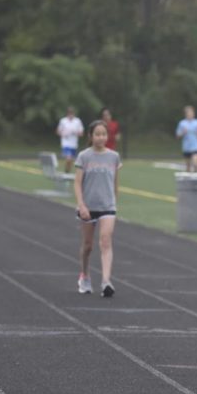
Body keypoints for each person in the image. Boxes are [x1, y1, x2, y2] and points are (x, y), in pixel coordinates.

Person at [74, 120, 122, 298]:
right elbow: (77, 183)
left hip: (108, 207)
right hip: (88, 207)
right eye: (97, 134)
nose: (101, 137)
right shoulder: (84, 156)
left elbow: (116, 183)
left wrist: (114, 202)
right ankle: (84, 276)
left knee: (106, 241)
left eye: (104, 134)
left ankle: (106, 281)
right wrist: (81, 204)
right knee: (88, 246)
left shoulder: (114, 157)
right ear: (91, 136)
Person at [56, 106, 84, 173]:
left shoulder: (77, 121)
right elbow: (58, 131)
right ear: (67, 113)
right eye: (69, 113)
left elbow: (81, 133)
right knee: (68, 159)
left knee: (71, 161)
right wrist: (63, 134)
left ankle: (67, 172)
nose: (70, 114)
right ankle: (66, 172)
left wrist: (75, 132)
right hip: (65, 143)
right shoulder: (63, 121)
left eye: (72, 113)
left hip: (74, 144)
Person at [176, 105, 197, 172]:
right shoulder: (182, 123)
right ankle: (188, 180)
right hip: (186, 147)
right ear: (186, 114)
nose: (191, 114)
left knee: (195, 163)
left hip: (195, 146)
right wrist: (183, 132)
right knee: (188, 166)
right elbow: (178, 135)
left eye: (192, 113)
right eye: (189, 113)